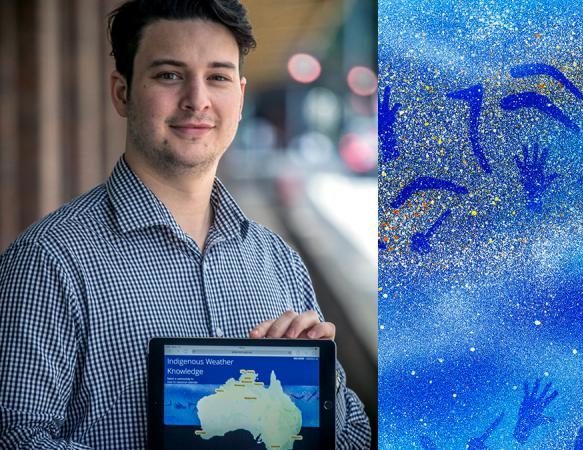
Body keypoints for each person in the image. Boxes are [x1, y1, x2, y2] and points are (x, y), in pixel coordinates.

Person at [0, 0, 371, 448]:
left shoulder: (280, 262)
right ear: (122, 93)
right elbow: (16, 437)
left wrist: (314, 380)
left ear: (240, 96)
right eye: (169, 75)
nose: (197, 100)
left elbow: (351, 434)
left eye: (217, 76)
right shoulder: (47, 261)